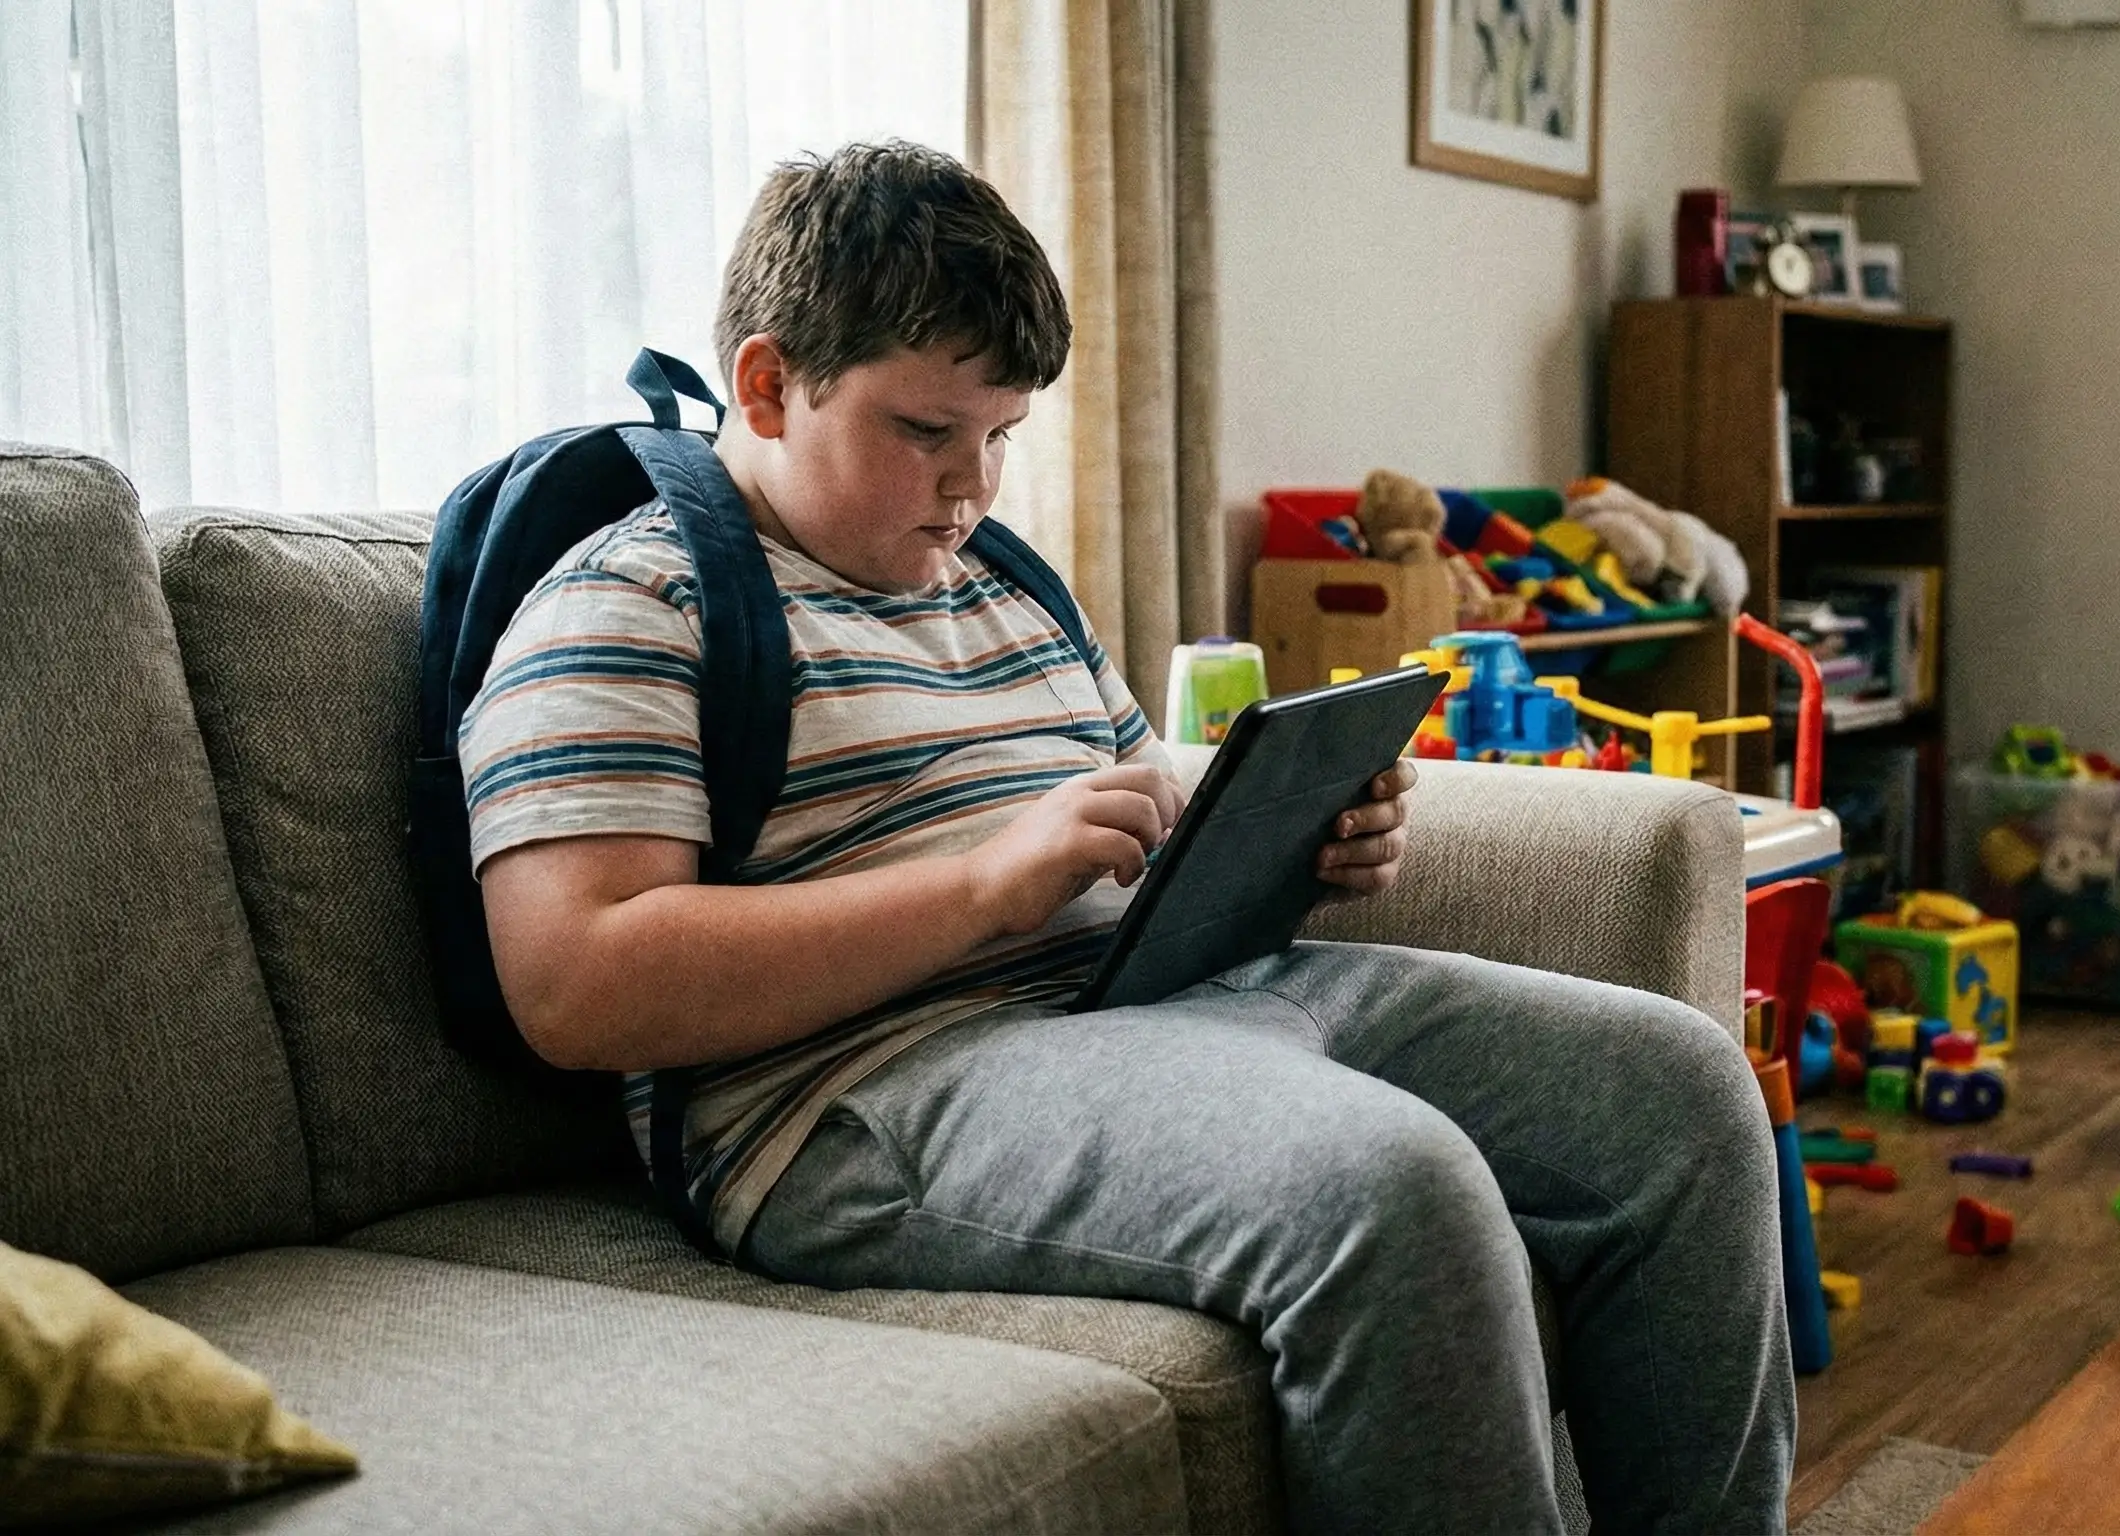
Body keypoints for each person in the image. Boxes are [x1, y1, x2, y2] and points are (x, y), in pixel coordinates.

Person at [458, 141, 1793, 1532]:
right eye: (926, 433)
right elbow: (578, 981)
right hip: (866, 1091)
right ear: (768, 382)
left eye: (1001, 438)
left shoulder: (1003, 580)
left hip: (1160, 1008)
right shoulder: (634, 604)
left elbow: (1130, 826)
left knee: (1682, 1092)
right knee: (1390, 1195)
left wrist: (1293, 848)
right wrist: (980, 887)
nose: (970, 486)